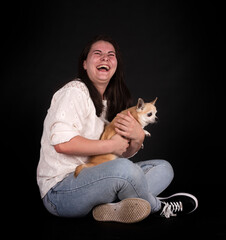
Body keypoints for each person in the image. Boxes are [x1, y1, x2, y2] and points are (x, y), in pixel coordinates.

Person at [37, 34, 198, 223]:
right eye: (97, 53)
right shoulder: (74, 91)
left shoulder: (109, 103)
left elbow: (118, 153)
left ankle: (107, 208)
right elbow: (63, 144)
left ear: (115, 65)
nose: (105, 57)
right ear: (84, 64)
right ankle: (159, 206)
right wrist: (111, 146)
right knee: (125, 170)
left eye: (110, 55)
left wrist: (138, 138)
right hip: (61, 192)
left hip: (96, 177)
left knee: (164, 168)